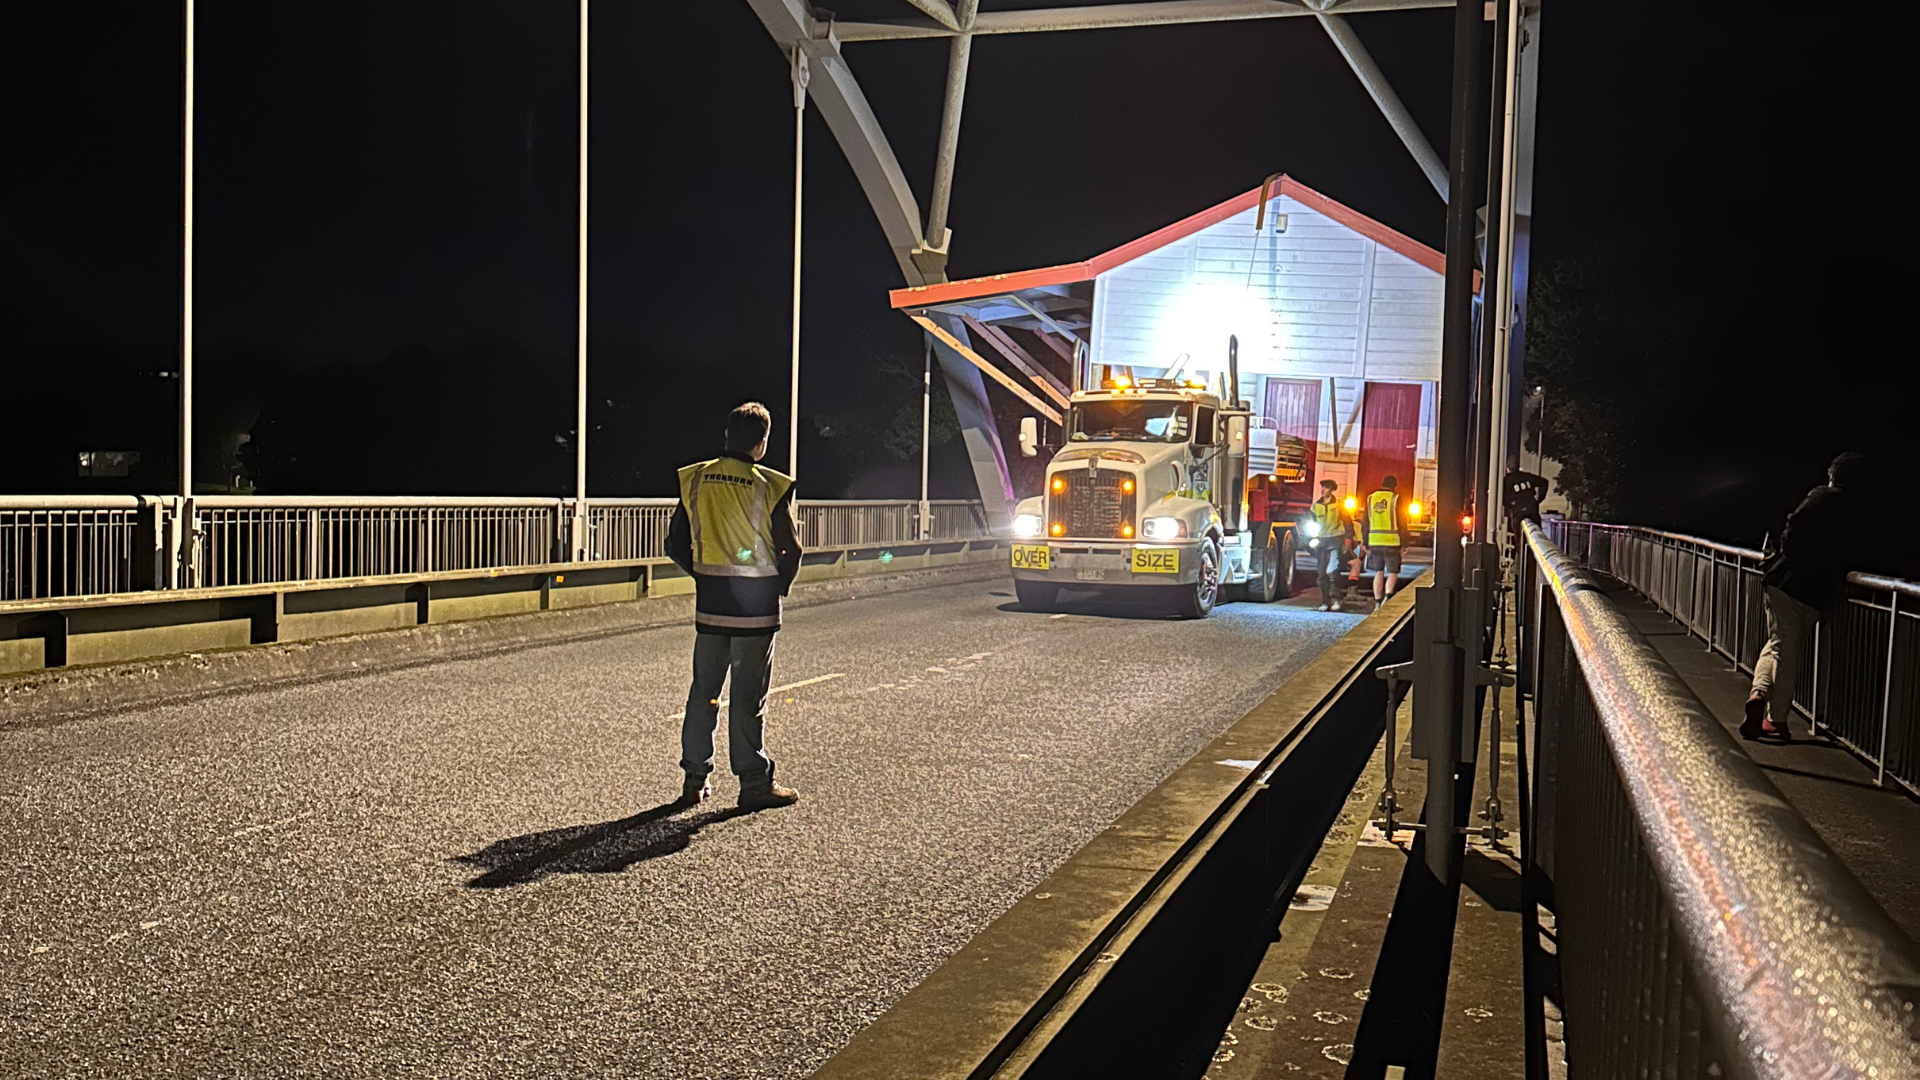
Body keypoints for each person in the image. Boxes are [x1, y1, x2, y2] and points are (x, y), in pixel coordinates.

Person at [665, 402, 804, 809]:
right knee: (748, 698)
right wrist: (780, 588)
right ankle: (754, 784)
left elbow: (674, 543)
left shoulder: (696, 478)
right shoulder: (769, 485)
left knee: (704, 692)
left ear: (727, 435)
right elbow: (791, 549)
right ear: (762, 443)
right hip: (756, 607)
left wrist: (706, 577)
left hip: (711, 602)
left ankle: (694, 779)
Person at [1743, 452, 1867, 742]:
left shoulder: (1821, 498)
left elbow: (1793, 527)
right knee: (1782, 647)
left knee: (1781, 649)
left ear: (1833, 476)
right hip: (1817, 593)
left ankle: (1773, 714)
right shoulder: (1857, 513)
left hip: (1786, 583)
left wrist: (1787, 555)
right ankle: (1763, 702)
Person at [1304, 479, 1353, 611]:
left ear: (1331, 490)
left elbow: (1347, 522)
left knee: (1332, 571)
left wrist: (1349, 538)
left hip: (1335, 541)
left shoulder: (1338, 505)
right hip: (1321, 542)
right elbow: (1310, 523)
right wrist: (1310, 540)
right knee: (1321, 574)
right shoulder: (1315, 506)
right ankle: (1325, 601)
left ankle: (1336, 600)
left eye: (1326, 488)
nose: (1323, 490)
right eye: (1322, 488)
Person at [1365, 475, 1407, 610]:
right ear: (1395, 486)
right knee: (1393, 572)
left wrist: (1365, 542)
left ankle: (1377, 602)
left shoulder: (1371, 498)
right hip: (1392, 542)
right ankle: (1387, 599)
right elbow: (1402, 522)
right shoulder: (1396, 499)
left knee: (1378, 572)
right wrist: (1405, 542)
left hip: (1375, 541)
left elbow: (1365, 522)